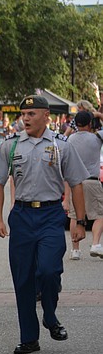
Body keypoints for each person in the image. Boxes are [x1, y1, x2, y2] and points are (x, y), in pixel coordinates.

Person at [0, 94, 88, 354]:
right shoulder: (10, 146)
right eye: (23, 114)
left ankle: (50, 314)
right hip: (22, 215)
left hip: (51, 214)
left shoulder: (62, 146)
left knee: (49, 270)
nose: (26, 118)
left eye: (32, 114)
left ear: (46, 116)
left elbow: (77, 183)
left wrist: (79, 220)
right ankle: (29, 337)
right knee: (22, 279)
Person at [65, 110, 103, 259]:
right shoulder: (96, 138)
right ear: (90, 124)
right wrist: (99, 115)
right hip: (92, 180)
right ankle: (95, 243)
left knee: (74, 216)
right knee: (99, 215)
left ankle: (75, 249)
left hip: (75, 182)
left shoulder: (70, 140)